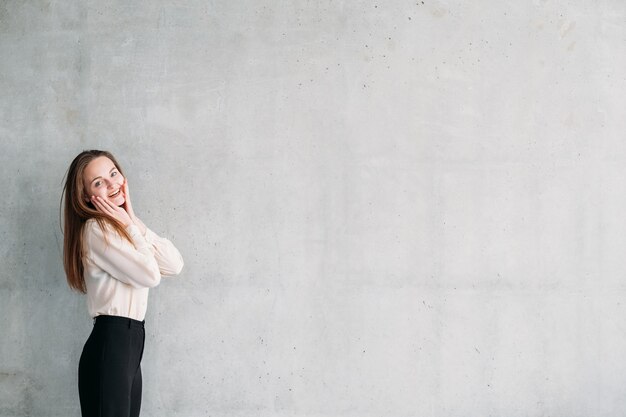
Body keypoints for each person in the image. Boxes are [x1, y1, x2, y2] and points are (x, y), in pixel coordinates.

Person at [61, 149, 184, 417]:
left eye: (113, 173)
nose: (112, 183)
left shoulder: (121, 228)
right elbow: (151, 275)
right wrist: (129, 225)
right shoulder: (96, 230)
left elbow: (174, 265)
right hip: (112, 343)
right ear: (86, 197)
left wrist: (134, 222)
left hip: (130, 344)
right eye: (98, 183)